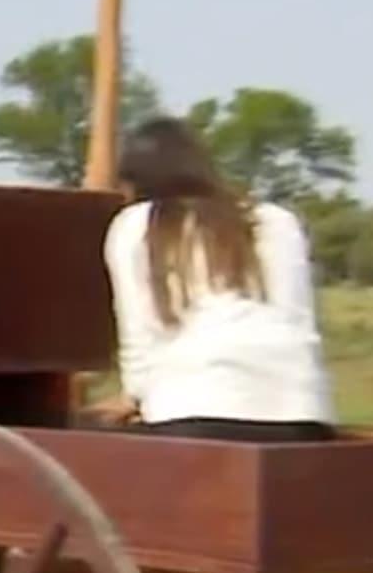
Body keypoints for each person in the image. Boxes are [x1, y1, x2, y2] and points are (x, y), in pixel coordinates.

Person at [96, 116, 335, 442]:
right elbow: (298, 320)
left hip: (194, 409)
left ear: (133, 180)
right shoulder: (277, 220)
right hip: (300, 412)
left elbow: (138, 330)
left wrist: (136, 394)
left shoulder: (135, 225)